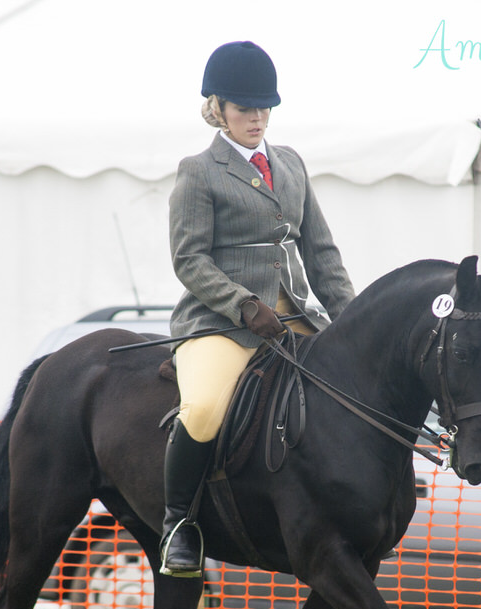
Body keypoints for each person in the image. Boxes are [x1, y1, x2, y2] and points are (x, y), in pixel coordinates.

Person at [161, 40, 355, 576]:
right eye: (246, 108)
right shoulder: (199, 171)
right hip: (221, 322)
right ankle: (179, 524)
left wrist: (353, 321)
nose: (257, 118)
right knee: (200, 409)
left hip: (294, 313)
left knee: (353, 387)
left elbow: (321, 253)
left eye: (264, 107)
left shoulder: (290, 164)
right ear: (218, 108)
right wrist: (243, 305)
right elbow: (189, 258)